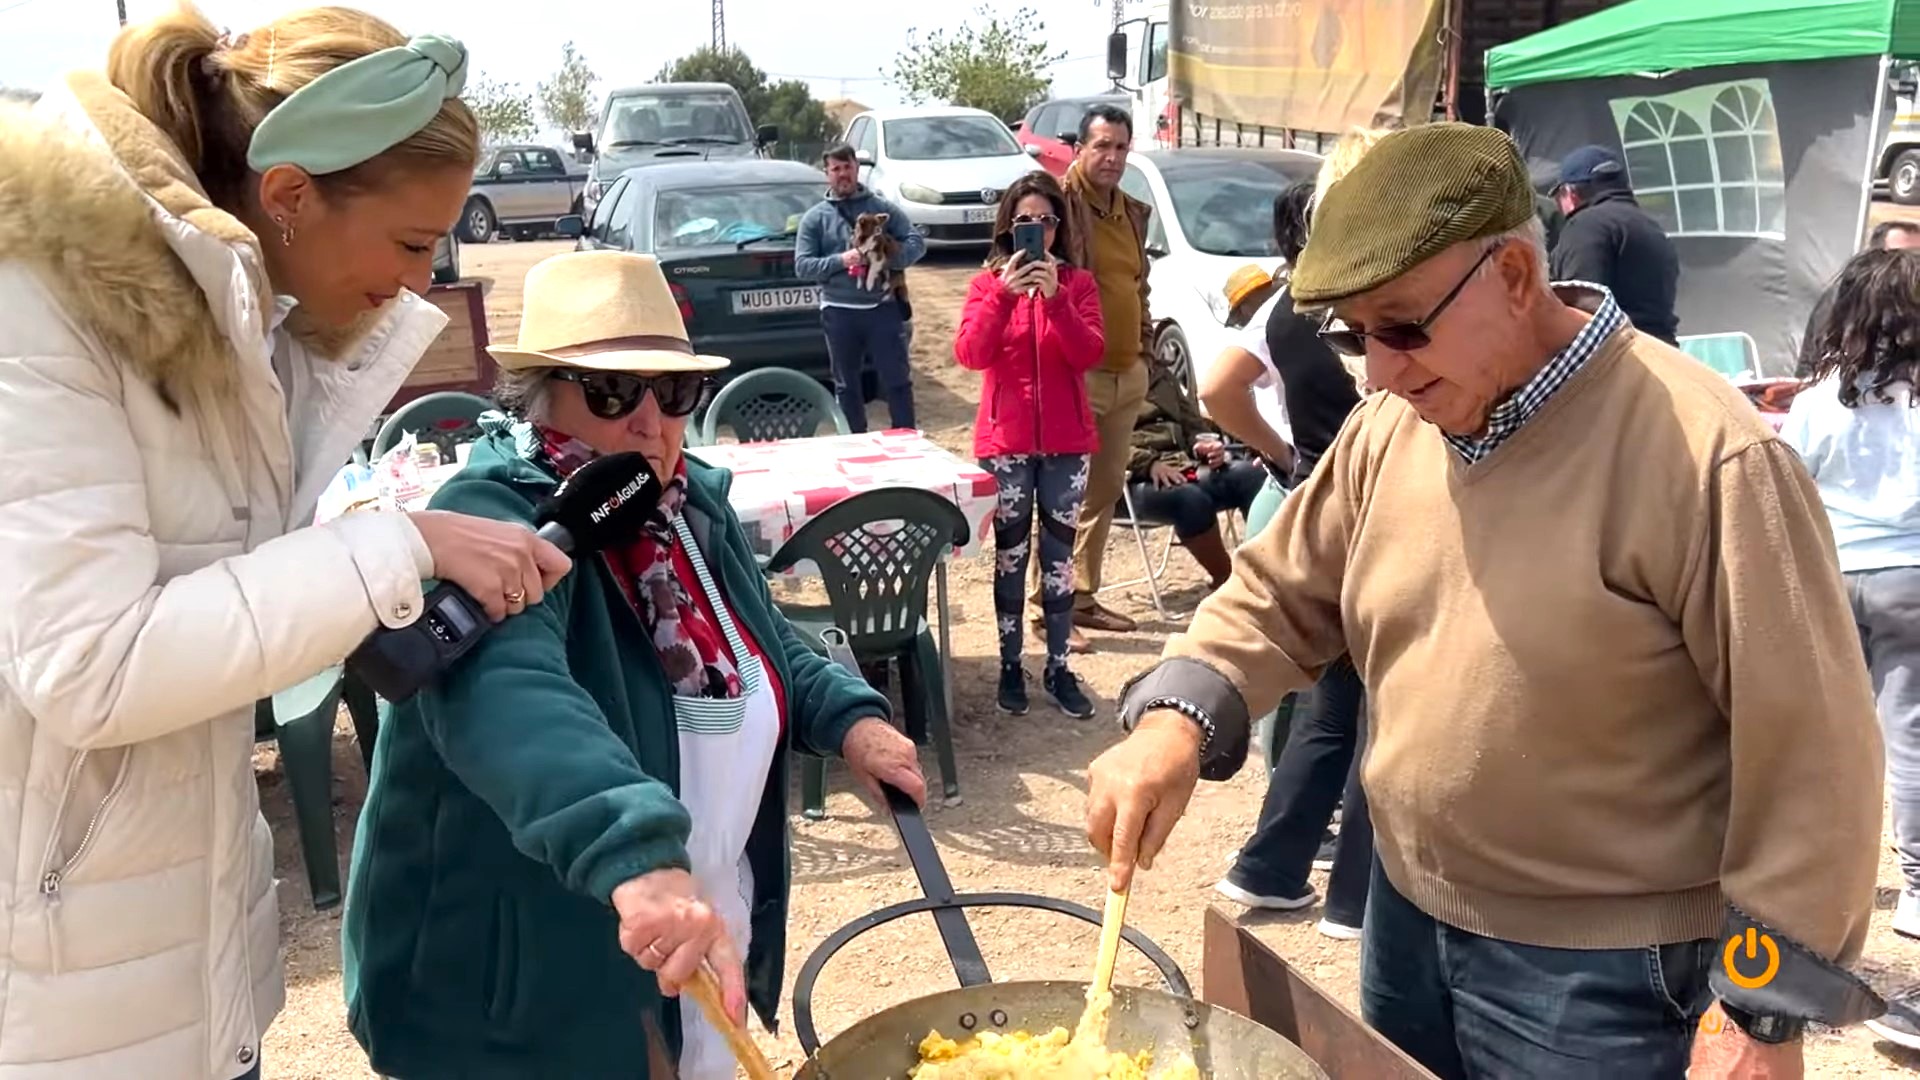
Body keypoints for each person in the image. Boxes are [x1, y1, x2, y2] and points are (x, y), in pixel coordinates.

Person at [1087, 123, 1885, 1079]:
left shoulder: (1708, 456)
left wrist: (1758, 1013)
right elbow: (1279, 591)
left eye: (1402, 325)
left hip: (1606, 976)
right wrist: (1173, 721)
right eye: (1352, 335)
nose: (1376, 370)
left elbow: (1814, 759)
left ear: (1512, 274)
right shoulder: (1394, 424)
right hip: (1404, 921)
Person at [0, 9, 571, 1078]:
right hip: (55, 993)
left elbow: (221, 604)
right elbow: (91, 667)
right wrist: (394, 548)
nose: (418, 283)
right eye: (409, 244)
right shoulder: (39, 307)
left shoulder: (241, 323)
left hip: (171, 958)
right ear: (291, 196)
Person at [343, 250, 927, 1079]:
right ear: (543, 393)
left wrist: (849, 717)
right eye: (615, 393)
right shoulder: (494, 519)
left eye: (675, 392)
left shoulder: (686, 505)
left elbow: (754, 641)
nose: (651, 422)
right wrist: (638, 852)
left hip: (675, 925)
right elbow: (512, 698)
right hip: (532, 980)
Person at [1205, 179, 1372, 941]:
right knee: (1378, 709)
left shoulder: (1282, 307)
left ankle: (1269, 866)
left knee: (1339, 707)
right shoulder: (1360, 302)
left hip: (1320, 501)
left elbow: (1217, 387)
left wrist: (1285, 460)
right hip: (1372, 512)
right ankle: (1355, 900)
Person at [1780, 248, 1920, 1051]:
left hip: (1834, 575)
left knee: (1833, 744)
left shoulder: (1819, 398)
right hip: (1911, 577)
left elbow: (1790, 480)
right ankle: (1914, 892)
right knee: (1908, 738)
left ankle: (1820, 890)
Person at [953, 172, 1106, 719]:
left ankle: (1060, 667)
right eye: (1024, 222)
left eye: (1044, 221)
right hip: (1006, 444)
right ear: (1008, 229)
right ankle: (1010, 664)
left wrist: (1057, 299)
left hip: (1067, 446)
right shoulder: (985, 285)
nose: (1035, 231)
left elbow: (1089, 354)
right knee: (1011, 557)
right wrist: (1002, 295)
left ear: (1058, 227)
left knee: (1060, 563)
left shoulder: (1079, 285)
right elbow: (970, 354)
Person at [1032, 103, 1154, 653]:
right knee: (1063, 493)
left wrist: (1146, 354)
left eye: (1120, 148)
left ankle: (1081, 596)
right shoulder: (1058, 206)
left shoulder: (1129, 210)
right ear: (1079, 148)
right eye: (1101, 146)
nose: (1111, 157)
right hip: (1076, 373)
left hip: (1127, 372)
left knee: (1102, 491)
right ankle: (1045, 607)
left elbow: (1138, 287)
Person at [794, 143, 926, 432]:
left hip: (883, 309)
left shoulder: (882, 209)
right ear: (827, 173)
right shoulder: (816, 218)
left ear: (857, 168)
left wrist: (886, 255)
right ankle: (854, 444)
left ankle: (907, 442)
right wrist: (843, 260)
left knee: (897, 382)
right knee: (846, 386)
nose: (843, 174)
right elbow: (802, 266)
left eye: (848, 167)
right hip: (839, 312)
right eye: (836, 169)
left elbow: (917, 244)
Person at [1123, 353, 1267, 589]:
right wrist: (1148, 464)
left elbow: (1192, 423)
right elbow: (1100, 444)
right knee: (1189, 498)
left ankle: (1265, 570)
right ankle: (1229, 581)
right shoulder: (1097, 380)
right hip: (1130, 479)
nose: (1146, 331)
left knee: (1249, 476)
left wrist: (1201, 444)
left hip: (1181, 464)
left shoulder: (1161, 373)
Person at [1549, 143, 1681, 344]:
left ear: (1570, 194)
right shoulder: (1652, 228)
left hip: (1618, 359)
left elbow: (1583, 309)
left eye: (1558, 197)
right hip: (1663, 354)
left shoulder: (1585, 226)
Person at [1797, 219, 1920, 375]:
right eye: (1903, 255)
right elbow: (1816, 358)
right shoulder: (1847, 296)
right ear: (1877, 256)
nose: (1915, 263)